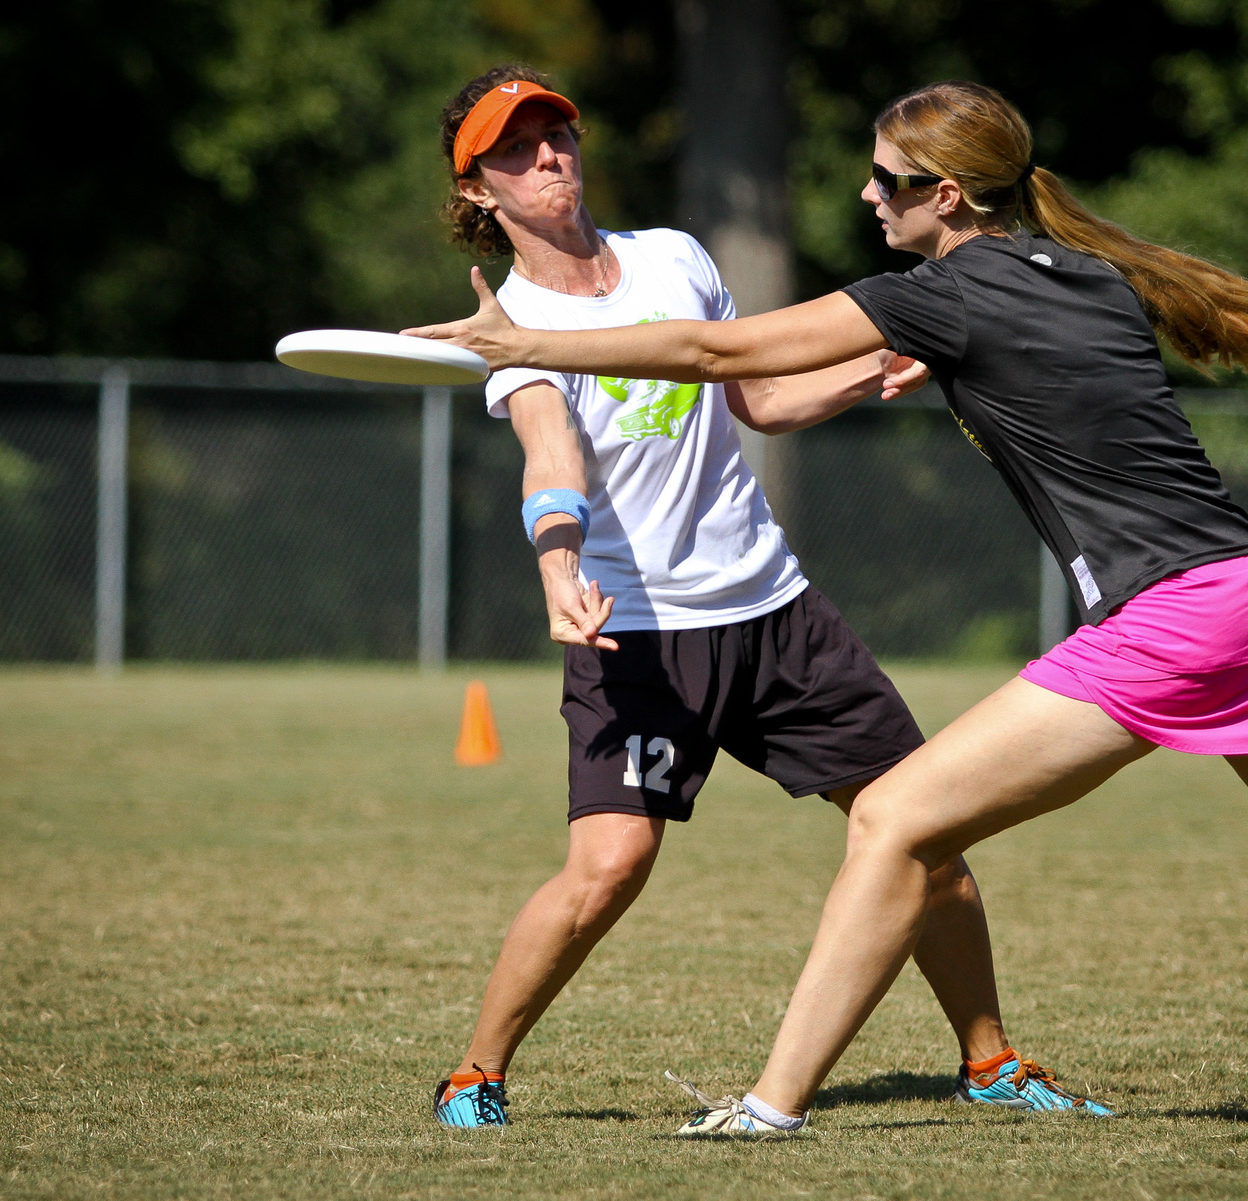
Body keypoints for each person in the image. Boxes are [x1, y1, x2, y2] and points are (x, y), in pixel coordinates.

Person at [407, 79, 1248, 1134]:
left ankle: (774, 1108)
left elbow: (728, 361)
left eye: (888, 183)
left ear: (949, 195)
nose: (869, 202)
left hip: (1163, 619)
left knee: (894, 819)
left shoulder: (937, 294)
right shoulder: (1093, 269)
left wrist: (532, 343)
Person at [425, 66, 1113, 1130]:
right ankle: (476, 1071)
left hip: (776, 613)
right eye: (514, 150)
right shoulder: (509, 325)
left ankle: (990, 1060)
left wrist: (869, 370)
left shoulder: (675, 260)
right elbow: (549, 454)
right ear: (477, 191)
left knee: (925, 838)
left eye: (557, 132)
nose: (549, 156)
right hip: (638, 638)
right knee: (609, 867)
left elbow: (759, 400)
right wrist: (559, 568)